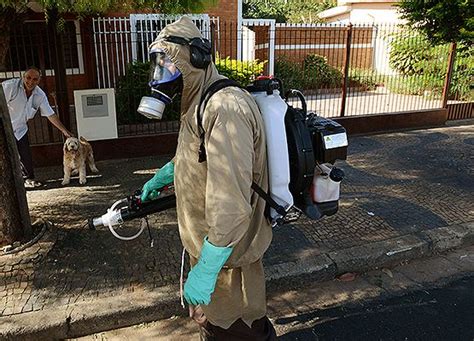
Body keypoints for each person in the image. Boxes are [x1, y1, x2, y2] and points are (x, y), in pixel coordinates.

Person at [139, 17, 276, 340]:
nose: (162, 75)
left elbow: (231, 203)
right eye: (157, 65)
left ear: (196, 59)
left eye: (168, 63)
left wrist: (207, 269)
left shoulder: (225, 107)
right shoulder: (198, 102)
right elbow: (198, 154)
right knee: (213, 325)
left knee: (240, 329)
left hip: (229, 257)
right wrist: (168, 173)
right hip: (211, 248)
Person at [1, 66, 73, 188]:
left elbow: (50, 114)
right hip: (4, 126)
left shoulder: (39, 95)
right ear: (23, 77)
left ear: (39, 80)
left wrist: (65, 131)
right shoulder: (10, 86)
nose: (30, 82)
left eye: (35, 79)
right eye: (28, 78)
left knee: (25, 155)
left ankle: (28, 179)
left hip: (20, 129)